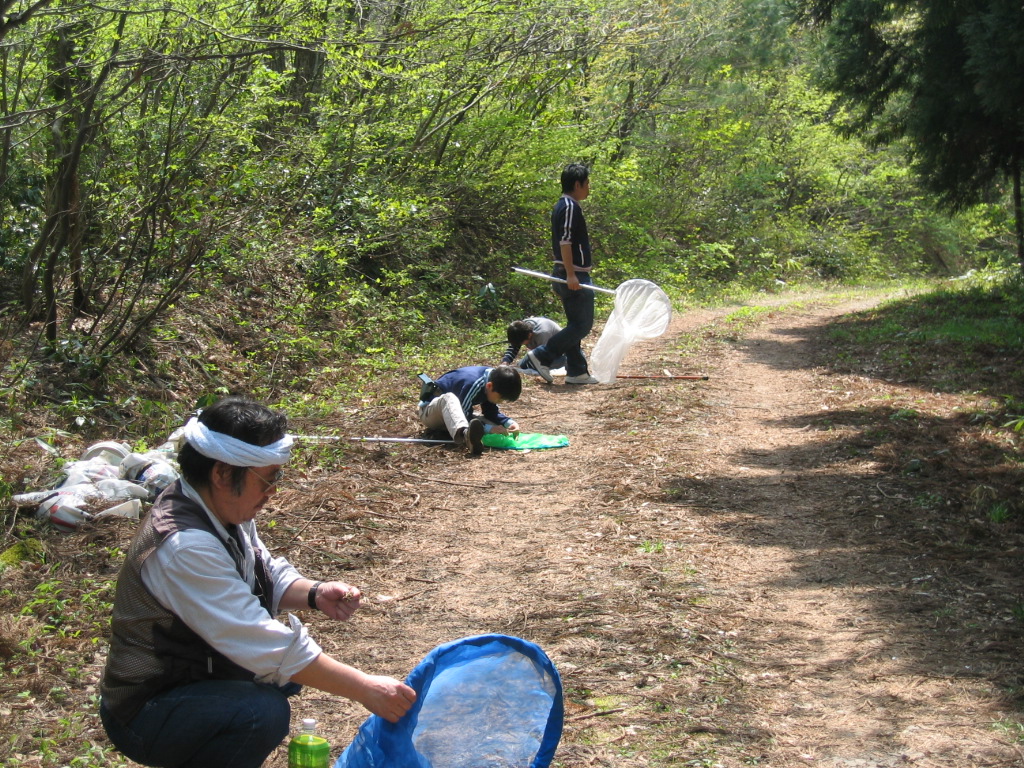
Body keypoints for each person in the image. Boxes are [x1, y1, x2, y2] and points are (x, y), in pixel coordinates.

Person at [99, 397, 416, 768]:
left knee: (290, 677)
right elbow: (260, 643)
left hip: (192, 680)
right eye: (269, 478)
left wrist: (314, 593)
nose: (274, 490)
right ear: (221, 474)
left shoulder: (217, 507)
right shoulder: (186, 546)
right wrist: (366, 688)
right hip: (145, 710)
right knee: (260, 711)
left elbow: (262, 568)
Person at [525, 163, 600, 386]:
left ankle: (577, 371)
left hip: (571, 273)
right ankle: (541, 356)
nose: (588, 188)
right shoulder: (568, 206)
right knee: (582, 325)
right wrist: (571, 274)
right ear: (577, 184)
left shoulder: (566, 205)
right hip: (572, 275)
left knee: (574, 324)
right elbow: (565, 241)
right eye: (587, 184)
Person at [419, 365, 522, 455]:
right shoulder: (473, 383)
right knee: (449, 398)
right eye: (500, 398)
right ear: (489, 386)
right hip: (430, 413)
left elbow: (490, 412)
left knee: (495, 427)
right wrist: (489, 429)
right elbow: (464, 415)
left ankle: (472, 434)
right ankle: (466, 436)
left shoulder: (494, 380)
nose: (500, 402)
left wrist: (509, 423)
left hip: (453, 416)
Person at [501, 317, 567, 374]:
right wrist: (505, 362)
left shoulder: (542, 334)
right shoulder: (520, 328)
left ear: (529, 335)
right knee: (522, 364)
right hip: (541, 352)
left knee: (534, 366)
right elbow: (514, 346)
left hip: (558, 353)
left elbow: (544, 358)